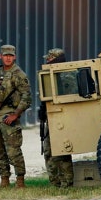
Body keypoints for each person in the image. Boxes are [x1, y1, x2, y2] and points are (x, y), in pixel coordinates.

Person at [0, 44, 32, 188]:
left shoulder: (19, 74)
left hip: (10, 117)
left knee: (13, 150)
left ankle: (20, 181)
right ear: (0, 56)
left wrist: (16, 115)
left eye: (10, 56)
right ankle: (4, 179)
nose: (8, 58)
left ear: (14, 57)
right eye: (5, 55)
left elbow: (26, 97)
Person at [38, 48, 74, 188]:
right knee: (48, 151)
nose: (47, 61)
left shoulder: (67, 76)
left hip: (61, 119)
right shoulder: (50, 77)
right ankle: (55, 182)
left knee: (61, 152)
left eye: (50, 59)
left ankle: (67, 183)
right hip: (51, 118)